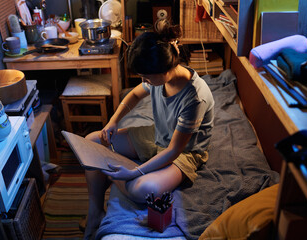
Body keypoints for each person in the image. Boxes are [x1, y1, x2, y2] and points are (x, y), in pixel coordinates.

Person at [83, 19, 215, 239]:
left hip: (184, 152)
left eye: (146, 77)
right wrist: (113, 120)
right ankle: (95, 210)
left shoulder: (195, 97)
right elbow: (134, 94)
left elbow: (173, 151)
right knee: (91, 142)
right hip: (158, 135)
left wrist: (135, 171)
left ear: (165, 70)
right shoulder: (160, 76)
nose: (144, 81)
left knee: (142, 190)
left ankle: (112, 173)